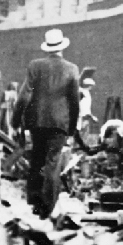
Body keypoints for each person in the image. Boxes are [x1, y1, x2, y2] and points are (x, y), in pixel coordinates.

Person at [12, 29, 80, 218]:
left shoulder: (35, 66)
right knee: (53, 162)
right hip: (60, 123)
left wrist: (16, 119)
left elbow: (24, 95)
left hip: (37, 121)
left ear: (47, 48)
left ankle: (33, 202)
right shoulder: (72, 69)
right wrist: (72, 128)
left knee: (36, 160)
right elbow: (74, 102)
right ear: (62, 47)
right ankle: (48, 208)